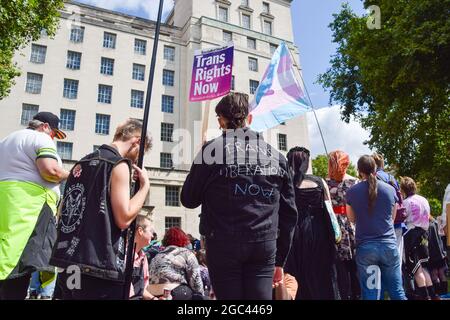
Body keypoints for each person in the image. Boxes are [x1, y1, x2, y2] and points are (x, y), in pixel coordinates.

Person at [180, 92, 298, 300]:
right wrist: (280, 260)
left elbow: (189, 199)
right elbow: (289, 214)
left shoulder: (211, 151)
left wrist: (199, 165)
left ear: (221, 121)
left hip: (223, 242)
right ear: (249, 119)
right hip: (264, 244)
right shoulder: (277, 158)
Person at [50, 119, 152, 300]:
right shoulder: (119, 164)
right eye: (140, 153)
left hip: (69, 263)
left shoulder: (80, 163)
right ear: (137, 141)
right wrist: (144, 187)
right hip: (100, 265)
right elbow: (124, 217)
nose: (136, 160)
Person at [0, 112, 69, 300]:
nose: (54, 138)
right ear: (45, 126)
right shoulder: (41, 138)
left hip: (7, 199)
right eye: (54, 133)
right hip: (31, 205)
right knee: (21, 263)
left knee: (7, 253)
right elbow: (50, 171)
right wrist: (72, 174)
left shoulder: (7, 140)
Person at [346, 155, 406, 300]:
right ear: (375, 168)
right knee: (397, 292)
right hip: (388, 246)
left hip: (366, 248)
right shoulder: (390, 190)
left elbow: (352, 219)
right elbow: (392, 219)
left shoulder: (352, 191)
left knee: (370, 294)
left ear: (360, 171)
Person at [284, 147, 339, 300]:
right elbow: (329, 210)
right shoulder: (320, 181)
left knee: (298, 275)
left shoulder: (286, 182)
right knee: (322, 273)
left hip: (295, 234)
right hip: (319, 232)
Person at [326, 150, 360, 300]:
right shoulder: (354, 182)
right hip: (350, 223)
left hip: (333, 224)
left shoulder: (325, 183)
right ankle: (356, 293)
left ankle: (343, 293)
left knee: (338, 263)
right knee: (353, 261)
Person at [401, 177, 438, 300]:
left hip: (412, 236)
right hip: (424, 234)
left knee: (417, 270)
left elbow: (403, 219)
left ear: (403, 189)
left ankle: (425, 296)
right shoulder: (424, 200)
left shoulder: (405, 203)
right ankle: (432, 295)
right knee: (423, 267)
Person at [148, 227, 205, 300]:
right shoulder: (186, 253)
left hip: (153, 294)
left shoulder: (157, 256)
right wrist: (201, 295)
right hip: (175, 293)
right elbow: (196, 279)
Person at [372, 153, 406, 270]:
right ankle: (397, 282)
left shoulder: (374, 178)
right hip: (397, 220)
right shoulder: (392, 178)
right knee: (396, 253)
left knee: (380, 255)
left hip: (381, 222)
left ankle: (385, 284)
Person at [130, 214, 159, 300]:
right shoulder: (123, 255)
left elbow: (141, 290)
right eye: (151, 231)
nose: (152, 236)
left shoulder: (143, 257)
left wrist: (153, 298)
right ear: (140, 231)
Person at [427, 216, 448, 296]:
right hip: (441, 252)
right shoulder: (436, 222)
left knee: (434, 274)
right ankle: (445, 293)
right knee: (442, 273)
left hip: (432, 254)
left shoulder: (427, 226)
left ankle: (438, 293)